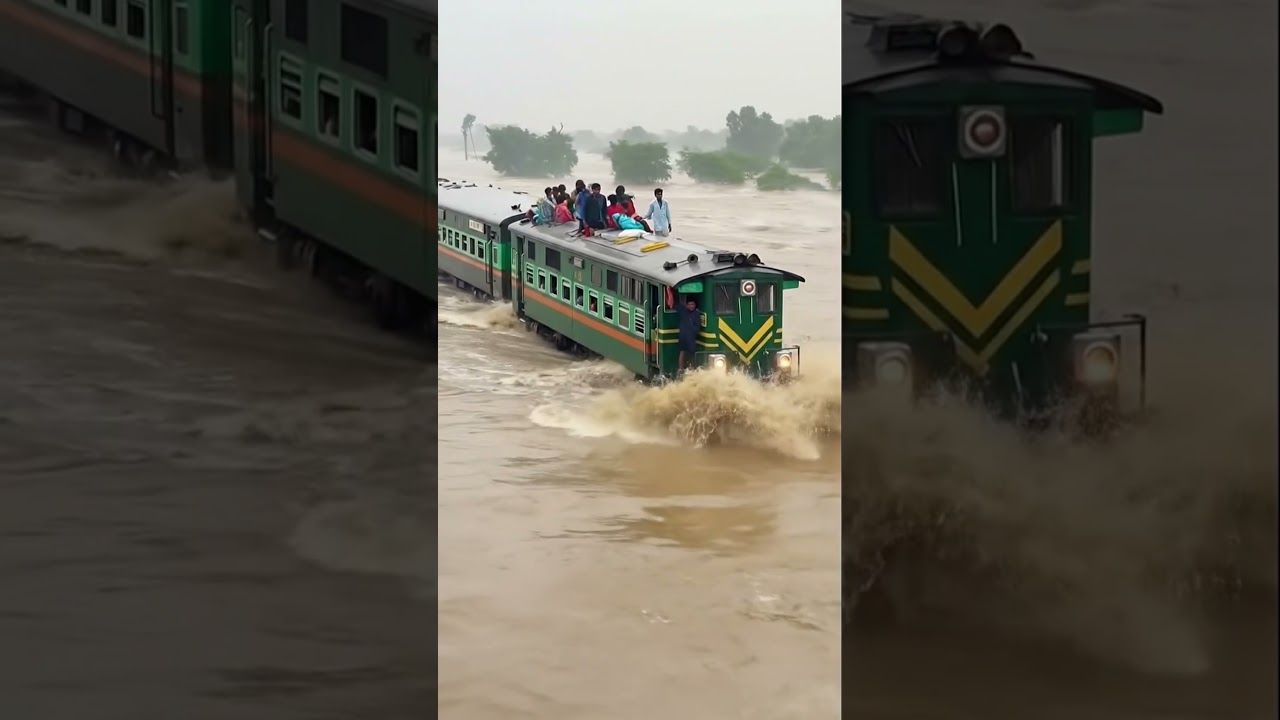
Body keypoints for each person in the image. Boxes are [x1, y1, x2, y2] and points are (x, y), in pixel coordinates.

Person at [677, 297, 700, 371]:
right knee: (682, 352)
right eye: (689, 304)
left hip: (691, 336)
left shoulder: (696, 313)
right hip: (683, 336)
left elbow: (698, 325)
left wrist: (694, 330)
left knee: (692, 353)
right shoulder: (683, 311)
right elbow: (673, 304)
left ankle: (692, 368)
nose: (691, 306)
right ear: (686, 305)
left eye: (692, 304)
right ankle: (681, 368)